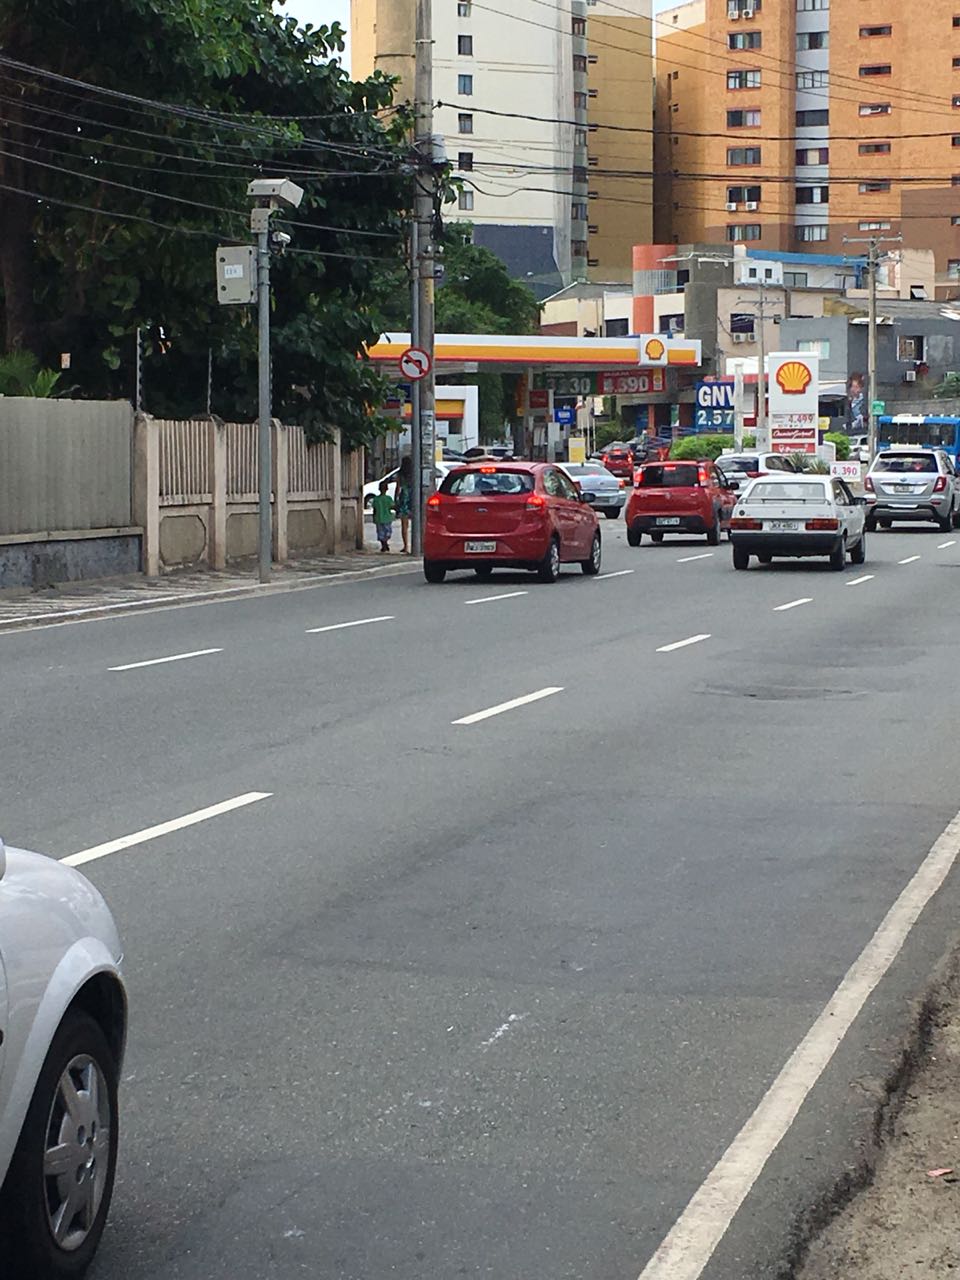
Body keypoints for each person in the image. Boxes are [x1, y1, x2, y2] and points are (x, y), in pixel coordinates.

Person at [370, 480, 395, 553]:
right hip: (387, 518)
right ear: (387, 489)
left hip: (379, 518)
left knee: (380, 533)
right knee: (387, 532)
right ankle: (385, 543)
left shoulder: (376, 499)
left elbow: (374, 509)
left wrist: (374, 517)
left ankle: (383, 544)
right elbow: (392, 506)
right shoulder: (388, 498)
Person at [395, 456, 413, 553]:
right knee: (416, 523)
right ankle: (416, 544)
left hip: (404, 497)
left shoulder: (400, 474)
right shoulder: (414, 473)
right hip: (413, 497)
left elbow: (398, 487)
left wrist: (396, 500)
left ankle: (406, 546)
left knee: (404, 525)